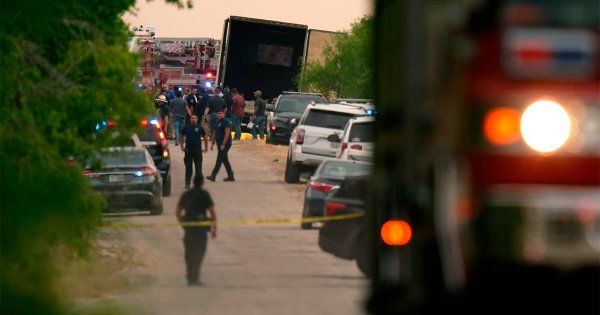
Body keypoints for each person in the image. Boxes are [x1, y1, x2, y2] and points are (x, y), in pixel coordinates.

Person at [175, 175, 217, 286]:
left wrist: (183, 223)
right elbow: (212, 213)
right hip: (201, 229)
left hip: (189, 229)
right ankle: (195, 277)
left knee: (189, 252)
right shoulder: (204, 194)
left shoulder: (186, 194)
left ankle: (190, 276)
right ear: (202, 182)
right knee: (199, 252)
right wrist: (214, 229)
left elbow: (178, 212)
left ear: (193, 182)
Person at [180, 115, 209, 189]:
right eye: (192, 118)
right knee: (188, 168)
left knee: (198, 168)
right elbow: (180, 136)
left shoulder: (199, 127)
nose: (193, 119)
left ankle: (198, 184)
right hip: (188, 150)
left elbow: (205, 137)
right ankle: (187, 183)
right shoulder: (186, 127)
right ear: (190, 119)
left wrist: (206, 147)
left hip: (197, 150)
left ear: (197, 120)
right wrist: (182, 146)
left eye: (195, 118)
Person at [206, 109, 235, 182]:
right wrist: (212, 143)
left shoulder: (225, 122)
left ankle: (213, 175)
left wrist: (223, 144)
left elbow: (227, 133)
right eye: (218, 113)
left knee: (219, 159)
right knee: (224, 159)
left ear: (224, 114)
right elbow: (215, 132)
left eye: (220, 113)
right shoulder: (217, 121)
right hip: (219, 143)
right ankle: (231, 175)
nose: (219, 115)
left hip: (225, 144)